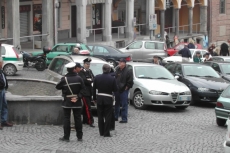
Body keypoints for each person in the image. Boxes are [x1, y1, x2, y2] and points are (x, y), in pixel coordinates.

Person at [56, 62, 85, 142]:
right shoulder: (79, 78)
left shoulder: (64, 79)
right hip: (77, 101)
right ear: (74, 69)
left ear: (67, 70)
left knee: (66, 119)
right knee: (78, 119)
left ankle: (66, 137)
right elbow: (83, 89)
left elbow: (57, 87)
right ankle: (79, 137)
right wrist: (78, 97)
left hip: (67, 101)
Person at [93, 64, 118, 137]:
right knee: (108, 116)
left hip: (100, 98)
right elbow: (115, 89)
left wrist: (94, 98)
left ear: (102, 69)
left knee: (100, 116)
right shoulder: (112, 78)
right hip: (108, 98)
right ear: (109, 70)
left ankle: (101, 132)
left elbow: (94, 89)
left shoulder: (97, 77)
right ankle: (106, 132)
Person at [114, 58, 133, 123]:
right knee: (117, 103)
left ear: (124, 63)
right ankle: (116, 116)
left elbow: (130, 81)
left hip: (124, 90)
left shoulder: (128, 71)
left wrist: (127, 87)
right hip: (117, 89)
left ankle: (124, 118)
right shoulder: (117, 70)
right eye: (119, 62)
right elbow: (115, 78)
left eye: (121, 62)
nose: (119, 63)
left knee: (124, 104)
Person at [78, 58, 95, 127]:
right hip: (85, 92)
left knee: (85, 107)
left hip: (89, 91)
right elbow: (84, 81)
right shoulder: (81, 72)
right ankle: (90, 121)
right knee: (88, 107)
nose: (88, 65)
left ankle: (85, 120)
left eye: (89, 64)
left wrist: (90, 80)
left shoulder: (90, 71)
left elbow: (93, 79)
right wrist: (90, 80)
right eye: (87, 64)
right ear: (84, 64)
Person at [0, 59, 13, 130]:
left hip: (2, 90)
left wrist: (5, 86)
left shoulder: (1, 71)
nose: (2, 64)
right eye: (1, 63)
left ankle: (3, 121)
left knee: (4, 106)